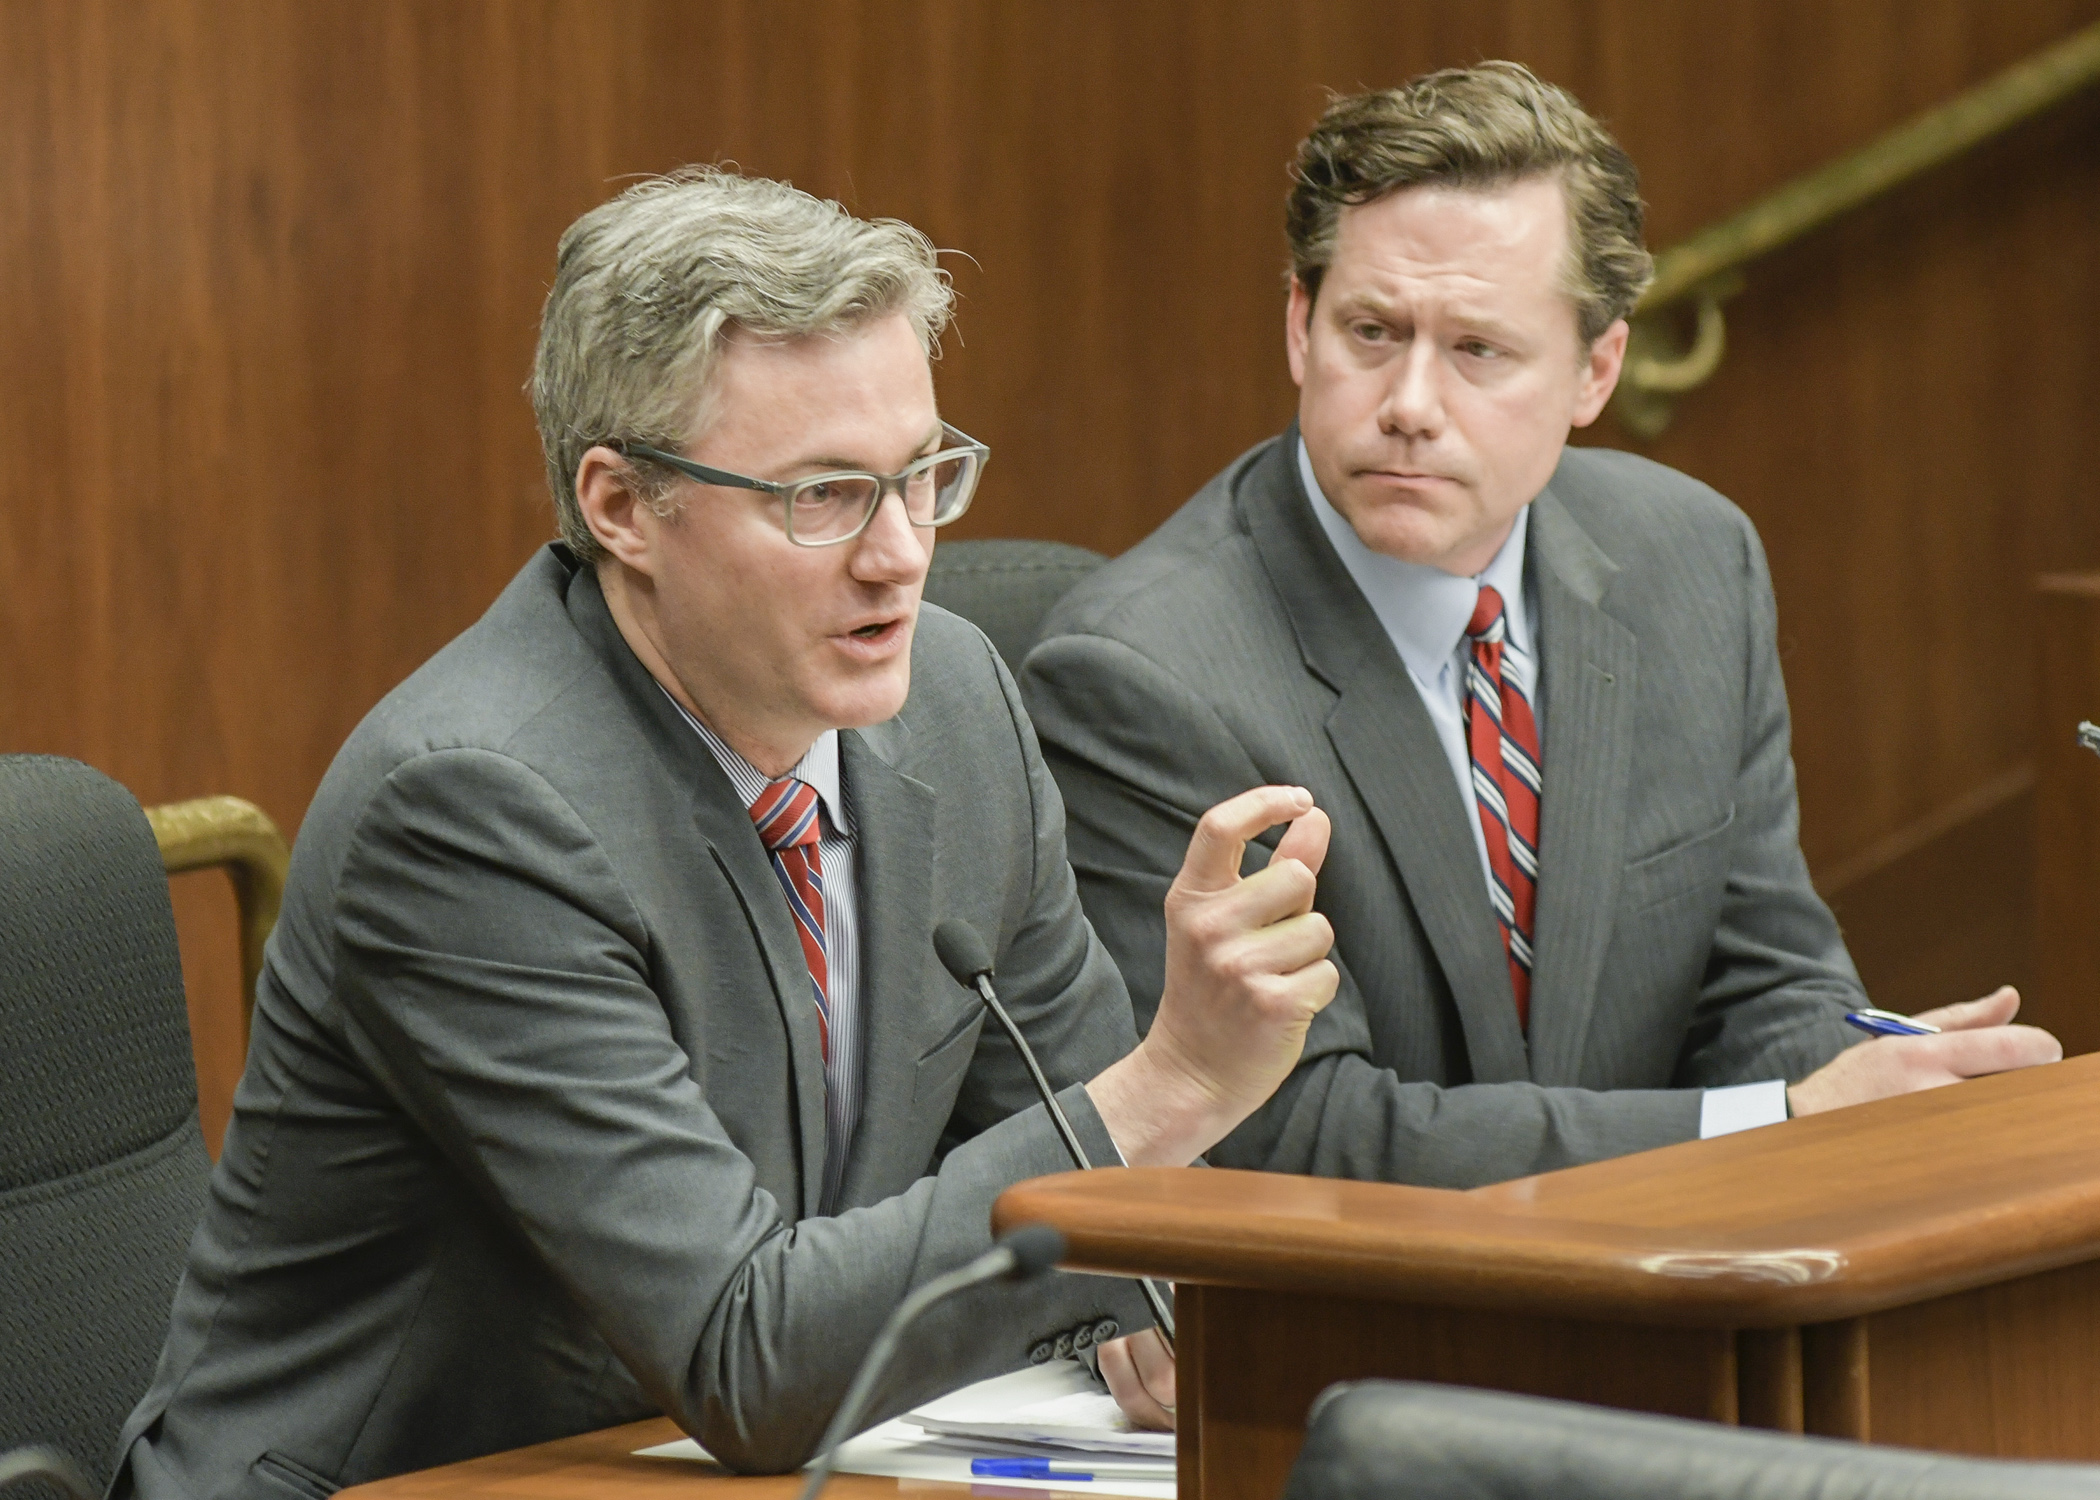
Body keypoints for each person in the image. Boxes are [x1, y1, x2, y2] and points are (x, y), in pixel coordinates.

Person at [112, 169, 1337, 1494]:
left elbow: (1065, 1148)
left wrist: (1137, 1299)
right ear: (622, 506)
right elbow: (749, 1357)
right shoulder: (473, 807)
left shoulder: (957, 706)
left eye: (921, 474)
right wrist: (1171, 1085)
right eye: (822, 498)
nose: (900, 554)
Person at [1020, 64, 2059, 1196]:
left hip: (1669, 1286)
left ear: (1596, 369)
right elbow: (1294, 1132)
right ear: (1297, 325)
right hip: (1356, 1331)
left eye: (1478, 350)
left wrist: (1885, 1091)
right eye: (1372, 330)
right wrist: (1784, 1117)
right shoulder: (1146, 673)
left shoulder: (1691, 562)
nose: (1410, 402)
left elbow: (1762, 984)